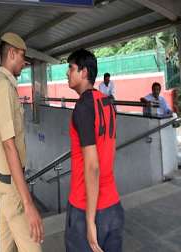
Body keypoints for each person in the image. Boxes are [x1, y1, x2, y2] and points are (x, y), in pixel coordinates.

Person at [0, 32, 44, 252]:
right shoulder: (4, 88)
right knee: (33, 247)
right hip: (10, 186)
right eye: (22, 56)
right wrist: (28, 204)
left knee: (7, 247)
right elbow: (9, 145)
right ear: (11, 53)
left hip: (3, 181)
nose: (24, 62)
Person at [65, 49, 124, 252]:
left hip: (85, 210)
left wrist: (90, 222)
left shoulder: (83, 107)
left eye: (71, 68)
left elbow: (92, 166)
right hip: (114, 208)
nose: (67, 73)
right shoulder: (109, 103)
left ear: (83, 72)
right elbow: (108, 152)